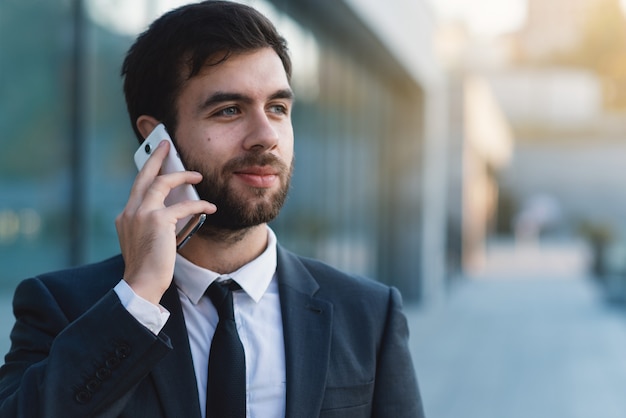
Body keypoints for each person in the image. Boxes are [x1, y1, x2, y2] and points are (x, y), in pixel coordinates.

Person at [0, 1, 424, 417]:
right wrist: (139, 298)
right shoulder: (62, 307)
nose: (265, 135)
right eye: (229, 110)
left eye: (278, 108)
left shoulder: (370, 314)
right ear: (157, 140)